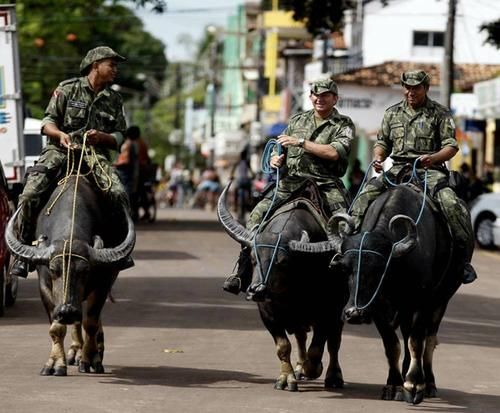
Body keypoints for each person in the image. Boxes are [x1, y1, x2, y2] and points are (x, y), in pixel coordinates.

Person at [223, 78, 355, 294]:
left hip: (325, 183)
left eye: (325, 95)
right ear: (311, 97)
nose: (319, 99)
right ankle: (242, 271)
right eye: (316, 95)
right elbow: (280, 149)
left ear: (335, 98)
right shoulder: (297, 120)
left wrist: (301, 143)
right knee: (256, 216)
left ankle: (346, 275)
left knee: (346, 223)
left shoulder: (343, 124)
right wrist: (276, 158)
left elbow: (333, 152)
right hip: (291, 181)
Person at [10, 46, 132, 278]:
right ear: (95, 65)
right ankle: (23, 255)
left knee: (118, 193)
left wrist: (102, 138)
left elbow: (119, 135)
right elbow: (47, 122)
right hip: (59, 151)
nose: (115, 69)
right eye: (111, 64)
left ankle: (120, 251)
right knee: (29, 193)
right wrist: (59, 135)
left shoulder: (114, 99)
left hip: (94, 155)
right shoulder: (67, 89)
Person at [349, 69, 476, 284]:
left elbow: (451, 146)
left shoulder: (440, 113)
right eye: (407, 87)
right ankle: (352, 247)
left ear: (425, 88)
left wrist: (434, 158)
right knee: (364, 196)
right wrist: (379, 158)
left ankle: (462, 259)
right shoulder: (392, 113)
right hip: (397, 170)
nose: (410, 91)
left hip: (429, 171)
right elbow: (382, 142)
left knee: (451, 203)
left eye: (416, 87)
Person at [115, 126, 140, 219]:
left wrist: (115, 164)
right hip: (131, 173)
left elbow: (125, 160)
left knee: (125, 193)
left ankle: (126, 215)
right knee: (131, 193)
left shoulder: (127, 144)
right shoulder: (134, 144)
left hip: (125, 173)